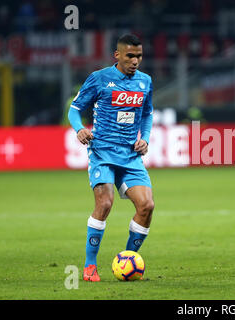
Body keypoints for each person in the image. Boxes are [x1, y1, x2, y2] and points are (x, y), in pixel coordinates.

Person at [68, 34, 155, 282]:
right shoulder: (99, 78)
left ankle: (127, 258)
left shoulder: (145, 82)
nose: (135, 61)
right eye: (130, 56)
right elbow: (74, 110)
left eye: (139, 56)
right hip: (102, 153)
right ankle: (89, 266)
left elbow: (147, 113)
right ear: (117, 55)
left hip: (130, 156)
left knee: (147, 206)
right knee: (105, 204)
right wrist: (80, 129)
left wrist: (145, 138)